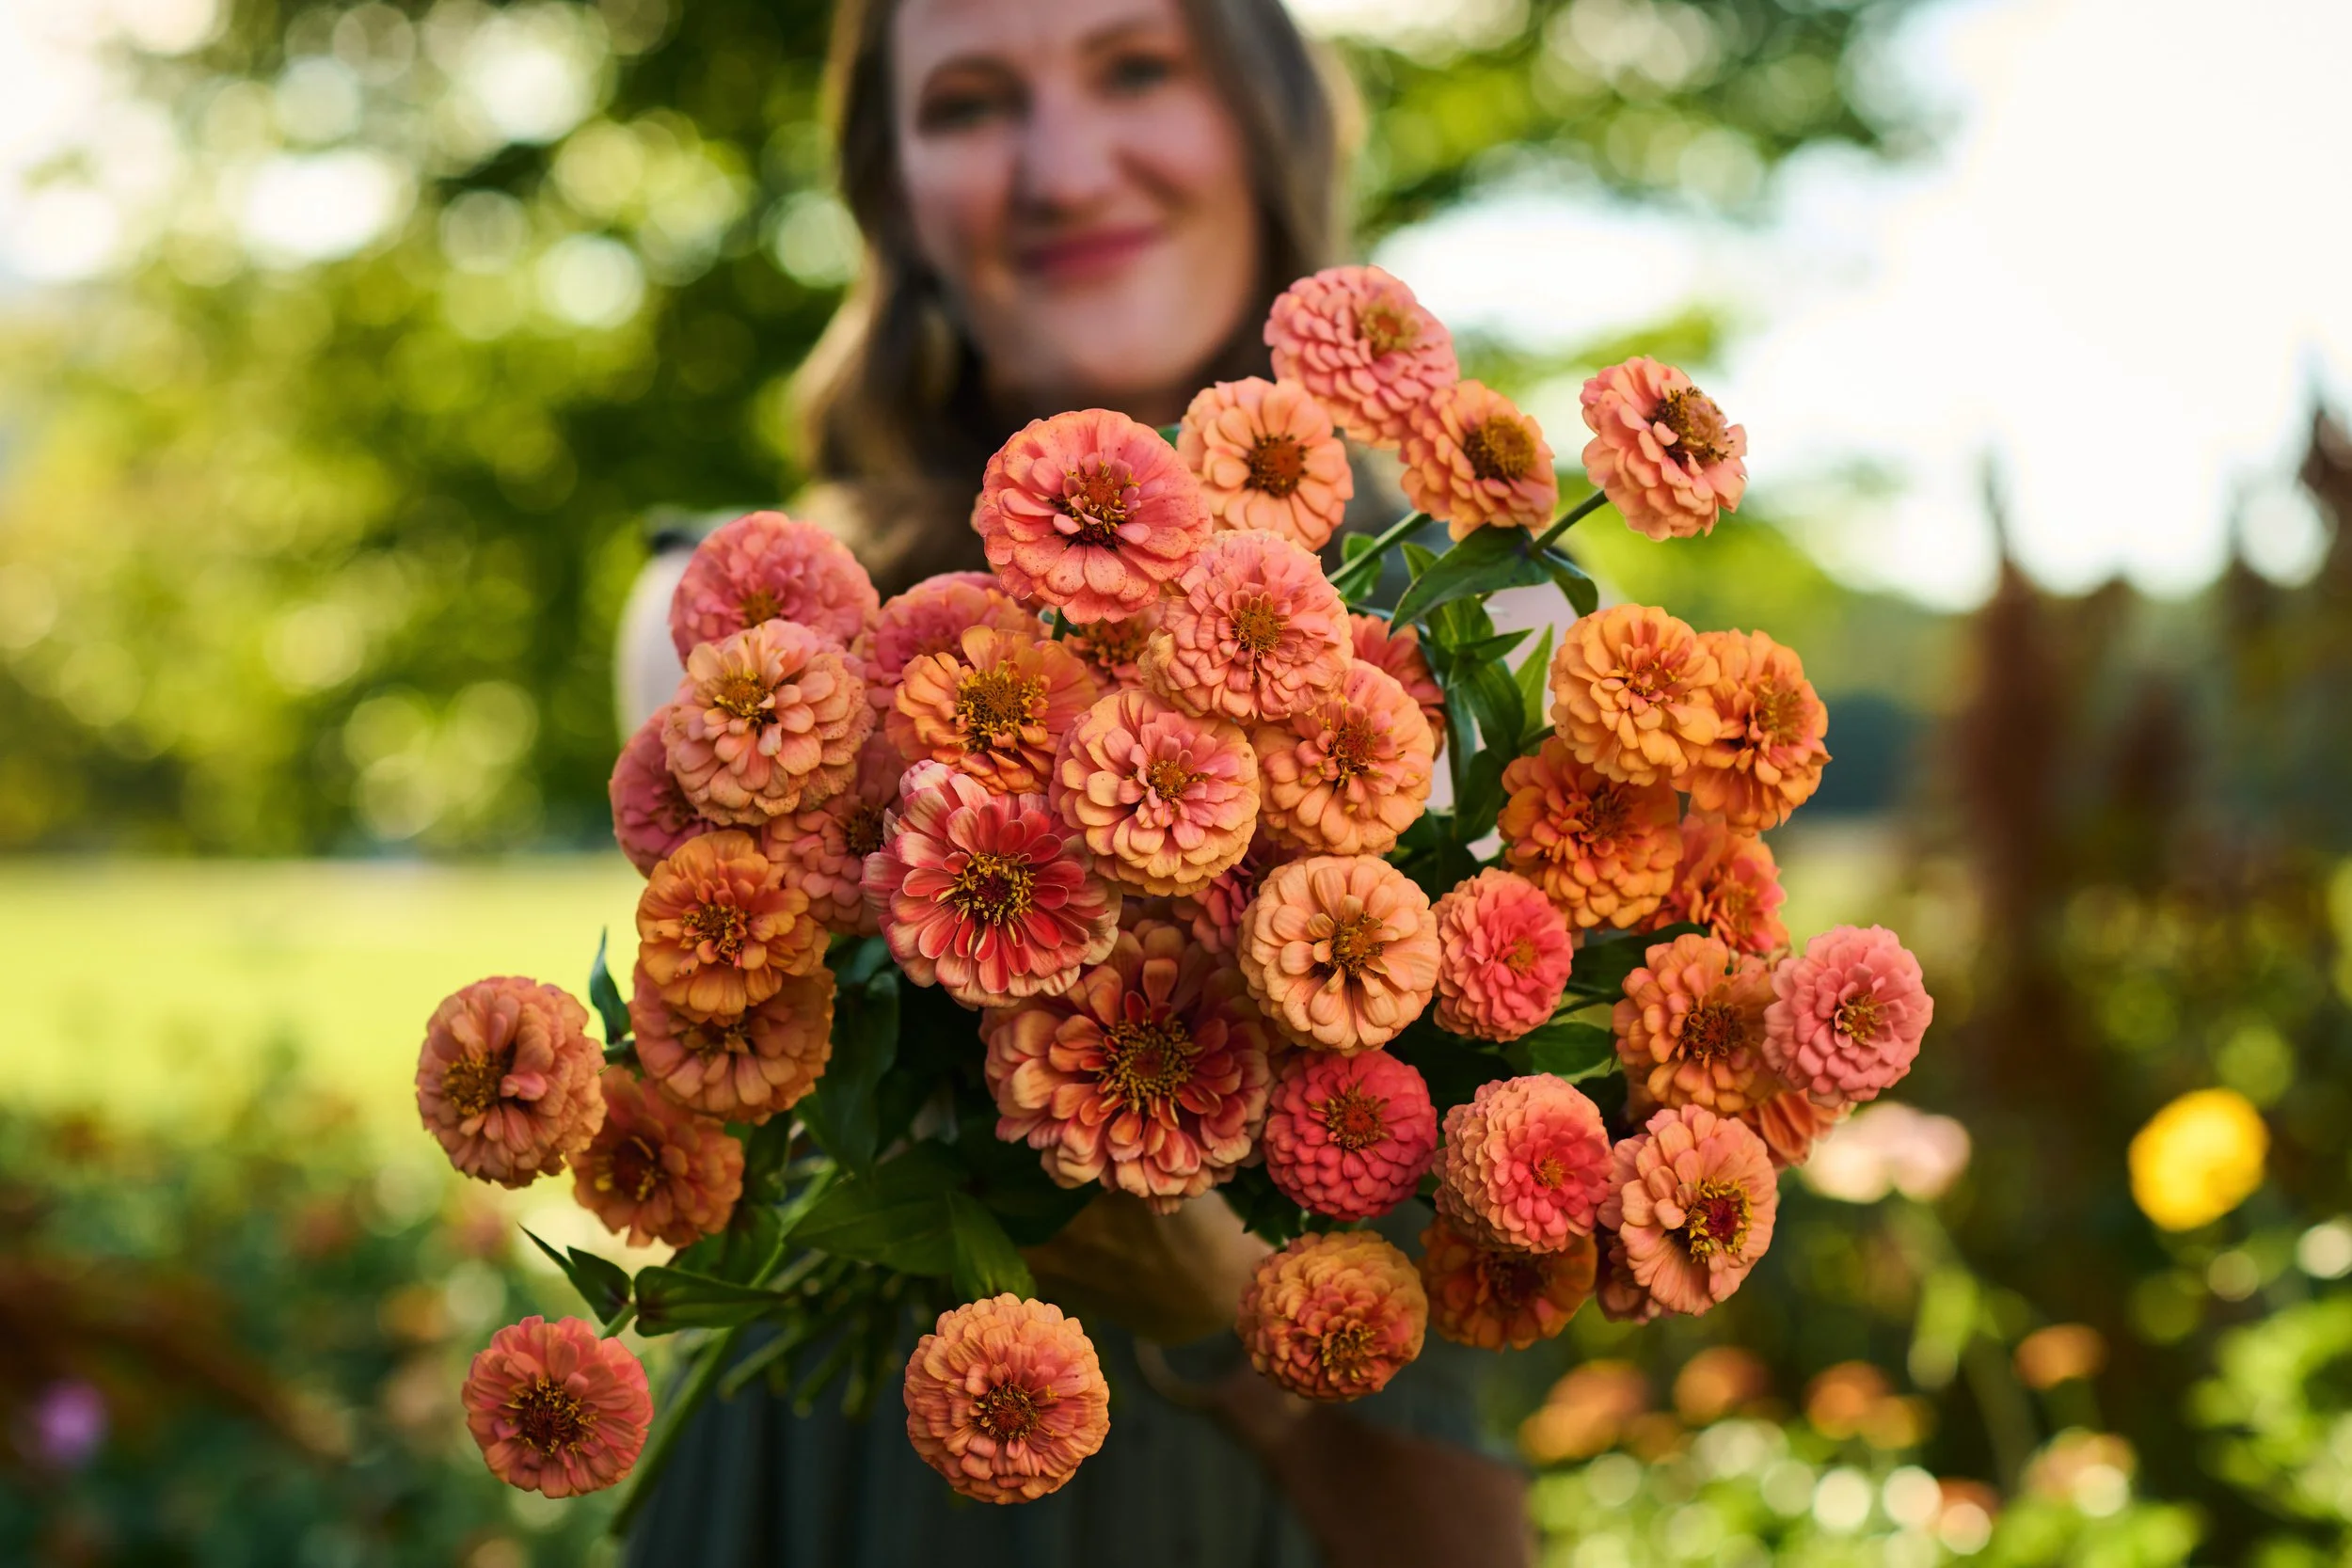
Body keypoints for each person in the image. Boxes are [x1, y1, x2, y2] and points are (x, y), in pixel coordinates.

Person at [617, 2, 1534, 1562]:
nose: (1062, 166)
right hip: (845, 1498)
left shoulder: (1493, 621)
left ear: (1265, 117)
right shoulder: (732, 627)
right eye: (971, 103)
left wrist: (1228, 1313)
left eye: (1135, 68)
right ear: (892, 186)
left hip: (1290, 1500)